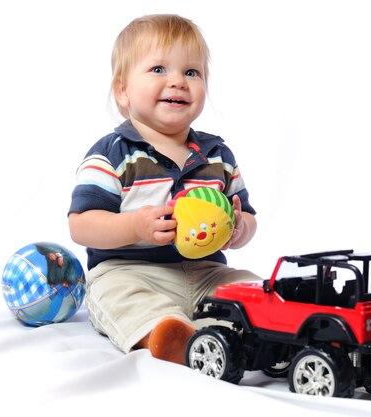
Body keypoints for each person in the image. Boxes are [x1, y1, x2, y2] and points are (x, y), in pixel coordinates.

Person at [68, 14, 259, 364]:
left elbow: (247, 215)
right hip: (129, 271)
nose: (178, 82)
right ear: (122, 89)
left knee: (251, 287)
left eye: (191, 72)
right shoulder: (113, 154)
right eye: (158, 69)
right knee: (117, 296)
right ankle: (166, 333)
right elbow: (81, 225)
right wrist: (134, 226)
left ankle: (230, 332)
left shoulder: (217, 155)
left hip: (206, 272)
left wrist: (239, 227)